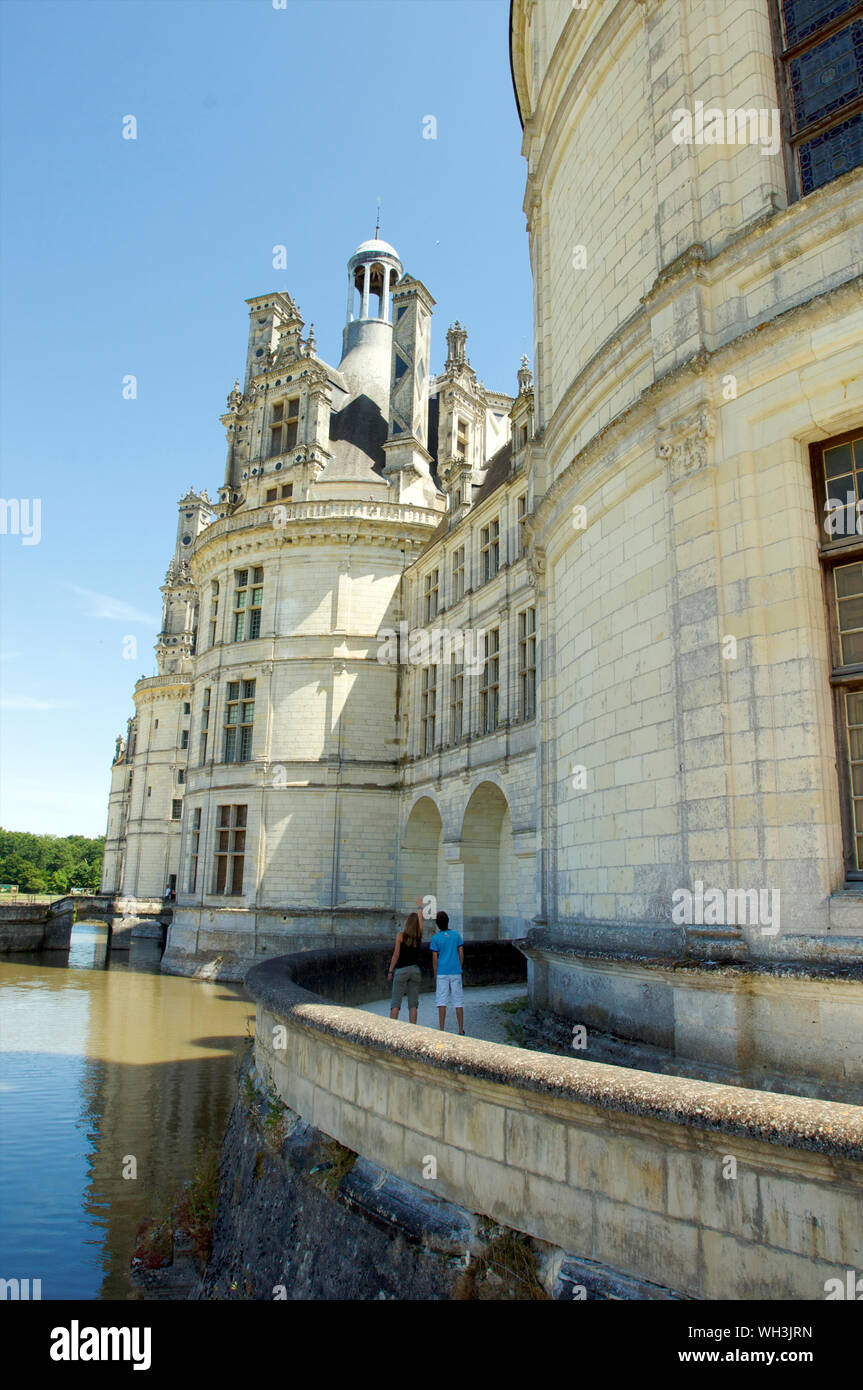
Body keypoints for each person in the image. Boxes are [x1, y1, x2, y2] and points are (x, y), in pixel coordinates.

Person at [429, 909, 465, 1034]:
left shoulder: (436, 938)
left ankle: (442, 1029)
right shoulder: (456, 935)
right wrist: (459, 966)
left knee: (441, 1000)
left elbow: (435, 958)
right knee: (458, 1000)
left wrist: (435, 972)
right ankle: (460, 1029)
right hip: (455, 971)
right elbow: (461, 952)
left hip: (442, 972)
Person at [387, 911, 424, 1024]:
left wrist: (390, 971)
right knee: (413, 1004)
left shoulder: (400, 936)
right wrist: (419, 909)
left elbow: (396, 955)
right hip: (415, 971)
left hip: (402, 970)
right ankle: (412, 1030)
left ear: (407, 923)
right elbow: (421, 922)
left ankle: (391, 1030)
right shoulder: (418, 936)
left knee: (396, 1003)